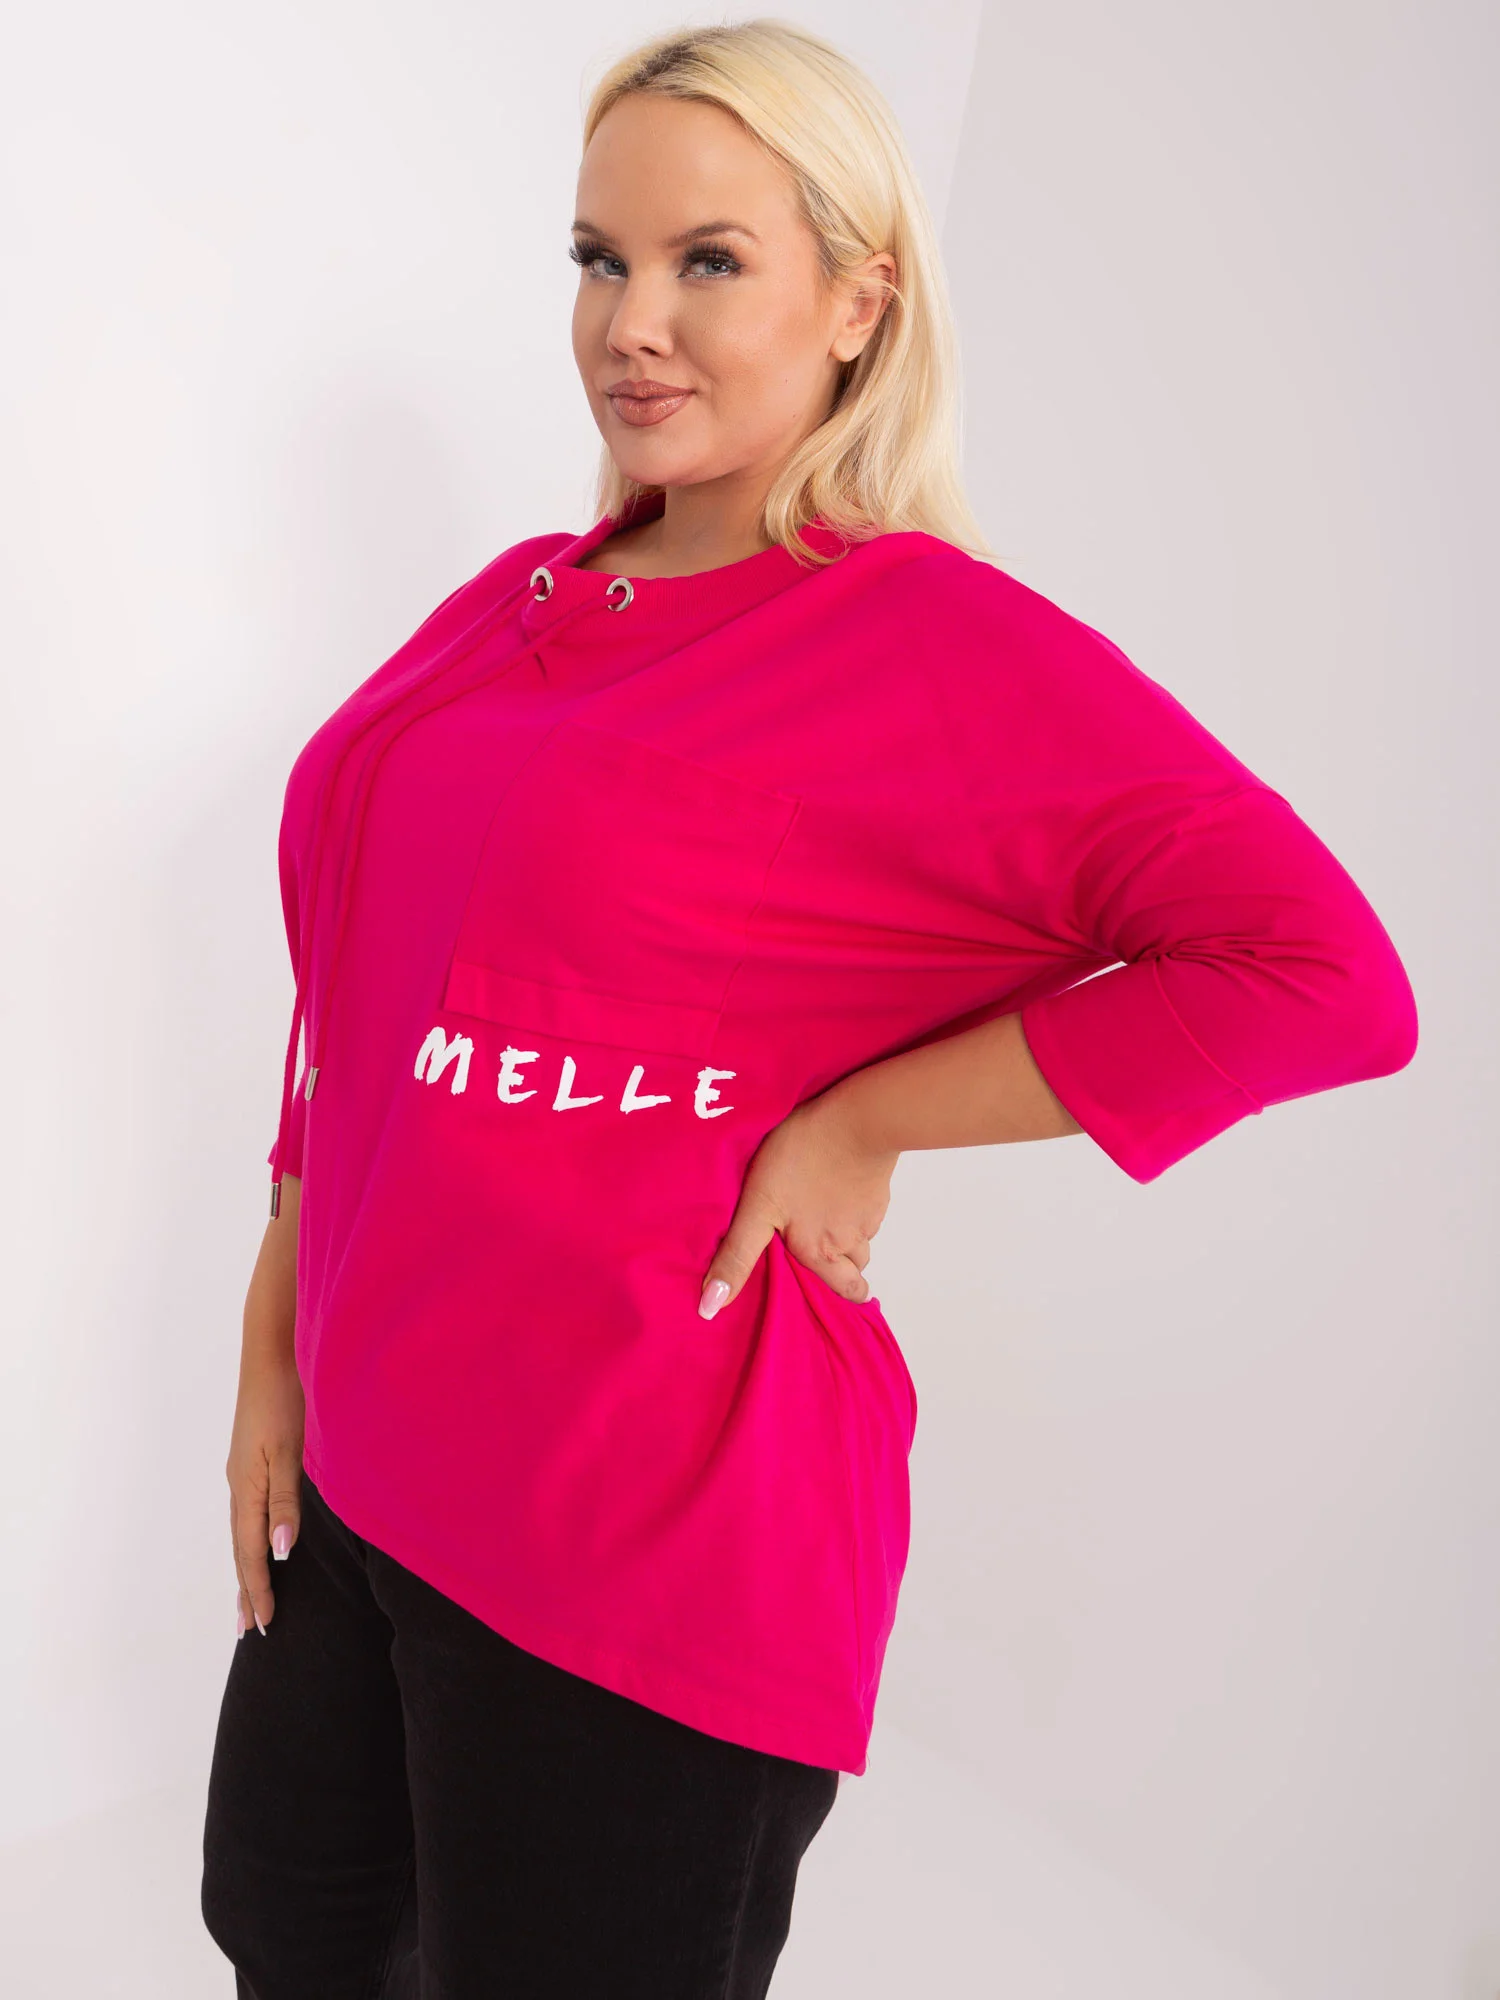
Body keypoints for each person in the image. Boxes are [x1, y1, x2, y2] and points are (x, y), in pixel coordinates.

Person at [199, 18, 1419, 1998]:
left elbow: (1322, 977)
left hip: (643, 1529)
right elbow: (355, 971)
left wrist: (867, 1117)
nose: (631, 324)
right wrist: (274, 1326)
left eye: (710, 260)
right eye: (599, 257)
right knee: (295, 1933)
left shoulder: (928, 641)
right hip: (360, 1464)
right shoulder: (514, 602)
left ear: (860, 302)